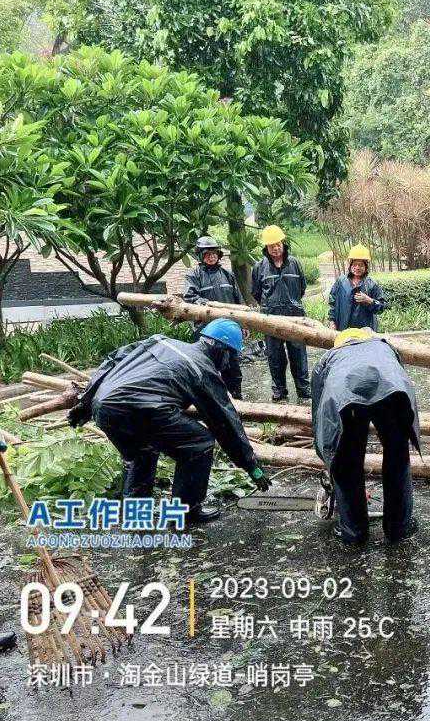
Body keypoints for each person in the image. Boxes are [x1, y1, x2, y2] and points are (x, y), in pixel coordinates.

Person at [66, 319, 271, 524]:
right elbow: (225, 422)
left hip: (104, 406)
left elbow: (113, 360)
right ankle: (186, 511)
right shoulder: (201, 368)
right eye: (232, 357)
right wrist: (251, 465)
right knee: (200, 443)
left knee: (141, 454)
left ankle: (136, 516)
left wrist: (86, 403)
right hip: (139, 409)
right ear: (222, 350)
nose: (229, 365)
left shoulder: (160, 341)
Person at [311, 328, 420, 548]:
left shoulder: (327, 359)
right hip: (394, 395)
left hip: (345, 400)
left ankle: (353, 532)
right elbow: (399, 375)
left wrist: (328, 456)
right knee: (398, 459)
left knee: (346, 463)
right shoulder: (385, 347)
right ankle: (399, 527)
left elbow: (319, 413)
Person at [252, 224, 310, 403]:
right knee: (275, 356)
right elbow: (256, 292)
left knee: (298, 354)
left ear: (283, 243)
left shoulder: (294, 263)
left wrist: (292, 303)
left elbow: (302, 288)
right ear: (266, 248)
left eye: (278, 244)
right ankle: (279, 390)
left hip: (294, 316)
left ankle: (303, 389)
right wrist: (270, 306)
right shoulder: (259, 267)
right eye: (271, 246)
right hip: (271, 319)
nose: (275, 248)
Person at [182, 235, 244, 399]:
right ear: (200, 256)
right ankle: (211, 401)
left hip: (228, 329)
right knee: (207, 367)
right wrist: (207, 304)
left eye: (214, 253)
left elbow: (238, 301)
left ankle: (237, 397)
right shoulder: (193, 276)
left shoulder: (227, 274)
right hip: (206, 330)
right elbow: (189, 297)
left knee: (233, 366)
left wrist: (242, 324)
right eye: (207, 254)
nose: (211, 257)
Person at [328, 244, 388, 331]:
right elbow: (333, 303)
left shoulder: (371, 284)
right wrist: (332, 322)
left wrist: (369, 300)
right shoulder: (341, 282)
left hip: (365, 331)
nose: (357, 268)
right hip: (343, 329)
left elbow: (382, 306)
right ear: (350, 266)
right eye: (355, 264)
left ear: (366, 267)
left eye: (361, 265)